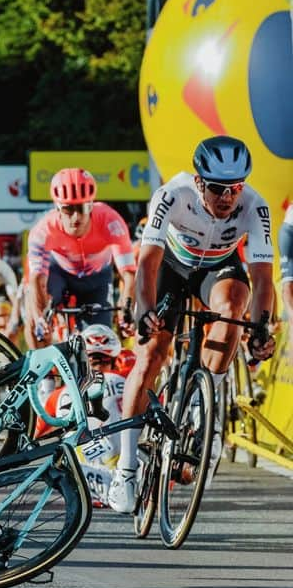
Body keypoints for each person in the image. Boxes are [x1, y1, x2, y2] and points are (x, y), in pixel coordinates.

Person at [108, 136, 276, 513]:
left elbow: (263, 277)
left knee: (234, 306)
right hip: (171, 266)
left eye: (235, 187)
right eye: (218, 188)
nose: (227, 197)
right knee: (152, 353)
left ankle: (208, 405)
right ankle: (127, 467)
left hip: (217, 269)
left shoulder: (255, 205)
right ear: (199, 182)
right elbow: (148, 261)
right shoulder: (172, 194)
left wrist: (260, 328)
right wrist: (144, 310)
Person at [24, 169, 137, 348]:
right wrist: (40, 318)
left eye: (82, 208)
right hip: (59, 273)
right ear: (57, 207)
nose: (76, 217)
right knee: (36, 316)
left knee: (99, 342)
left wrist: (127, 308)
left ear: (91, 205)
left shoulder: (111, 220)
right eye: (68, 209)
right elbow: (37, 278)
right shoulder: (43, 230)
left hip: (97, 278)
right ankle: (43, 373)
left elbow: (129, 273)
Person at [31, 324, 129, 507]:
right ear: (115, 359)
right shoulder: (130, 382)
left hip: (82, 476)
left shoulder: (59, 394)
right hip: (129, 475)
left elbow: (34, 435)